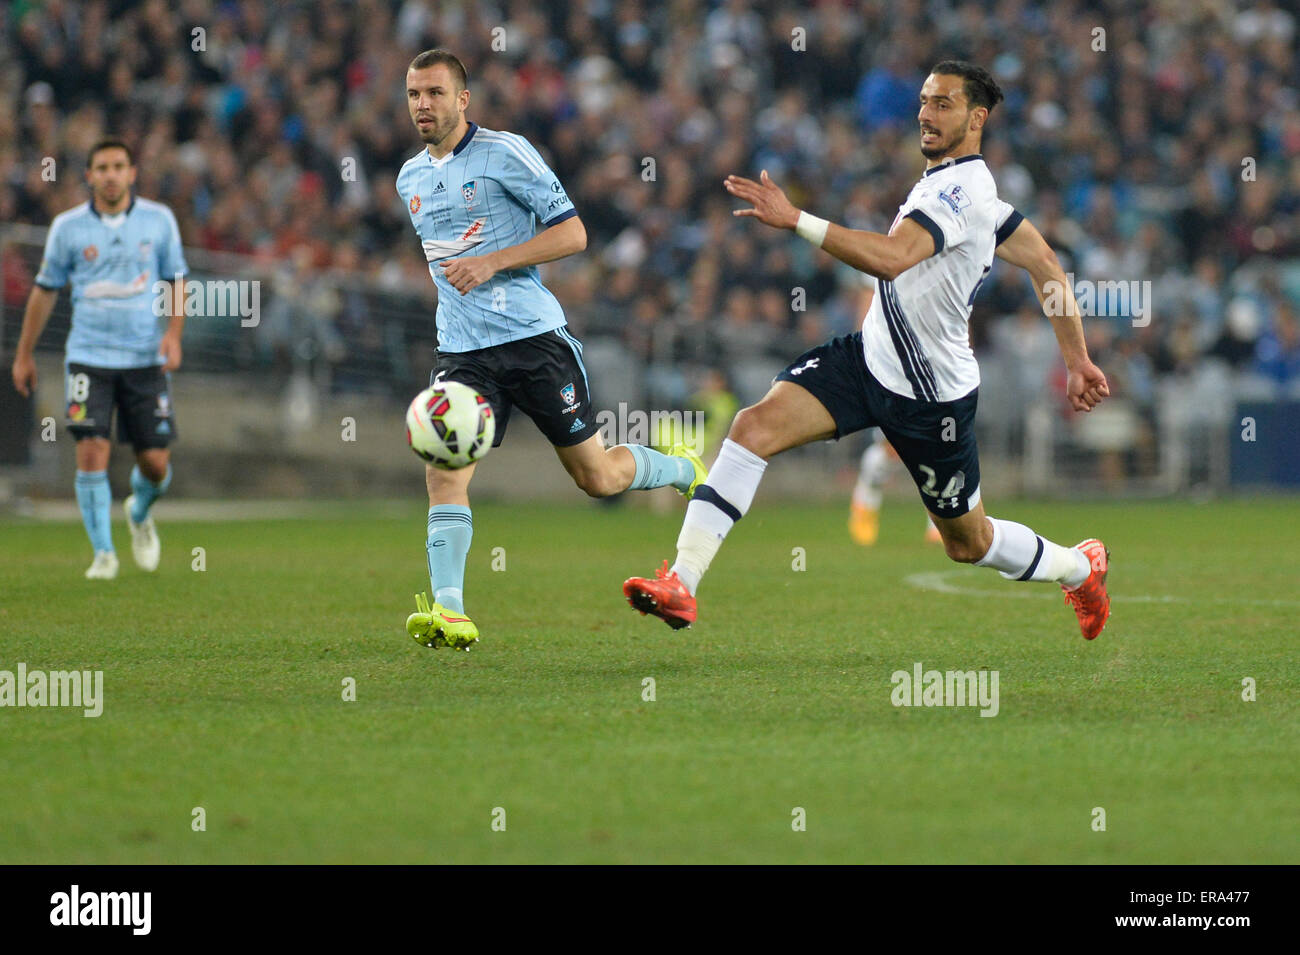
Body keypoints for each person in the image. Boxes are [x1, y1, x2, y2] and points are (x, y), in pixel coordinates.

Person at [624, 62, 1113, 640]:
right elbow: (1045, 264)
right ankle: (681, 584)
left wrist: (795, 219)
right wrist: (1078, 360)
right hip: (868, 361)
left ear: (977, 118)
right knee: (751, 428)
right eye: (925, 101)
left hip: (931, 398)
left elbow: (890, 257)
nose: (926, 114)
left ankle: (1080, 568)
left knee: (968, 543)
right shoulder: (961, 188)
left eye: (944, 104)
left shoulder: (960, 191)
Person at [398, 50, 704, 650]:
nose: (422, 105)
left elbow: (575, 233)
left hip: (534, 342)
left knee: (595, 477)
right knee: (444, 475)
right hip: (463, 353)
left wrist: (492, 262)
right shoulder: (410, 177)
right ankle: (450, 610)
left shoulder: (505, 153)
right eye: (413, 94)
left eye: (434, 93)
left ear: (463, 100)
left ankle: (679, 468)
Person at [11, 139, 186, 579]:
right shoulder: (67, 228)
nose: (110, 174)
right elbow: (45, 290)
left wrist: (174, 335)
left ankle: (140, 511)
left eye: (118, 166)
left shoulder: (159, 220)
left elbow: (177, 280)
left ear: (132, 173)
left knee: (156, 463)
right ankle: (104, 554)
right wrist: (24, 354)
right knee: (91, 451)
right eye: (102, 167)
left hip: (145, 359)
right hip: (88, 357)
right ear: (89, 176)